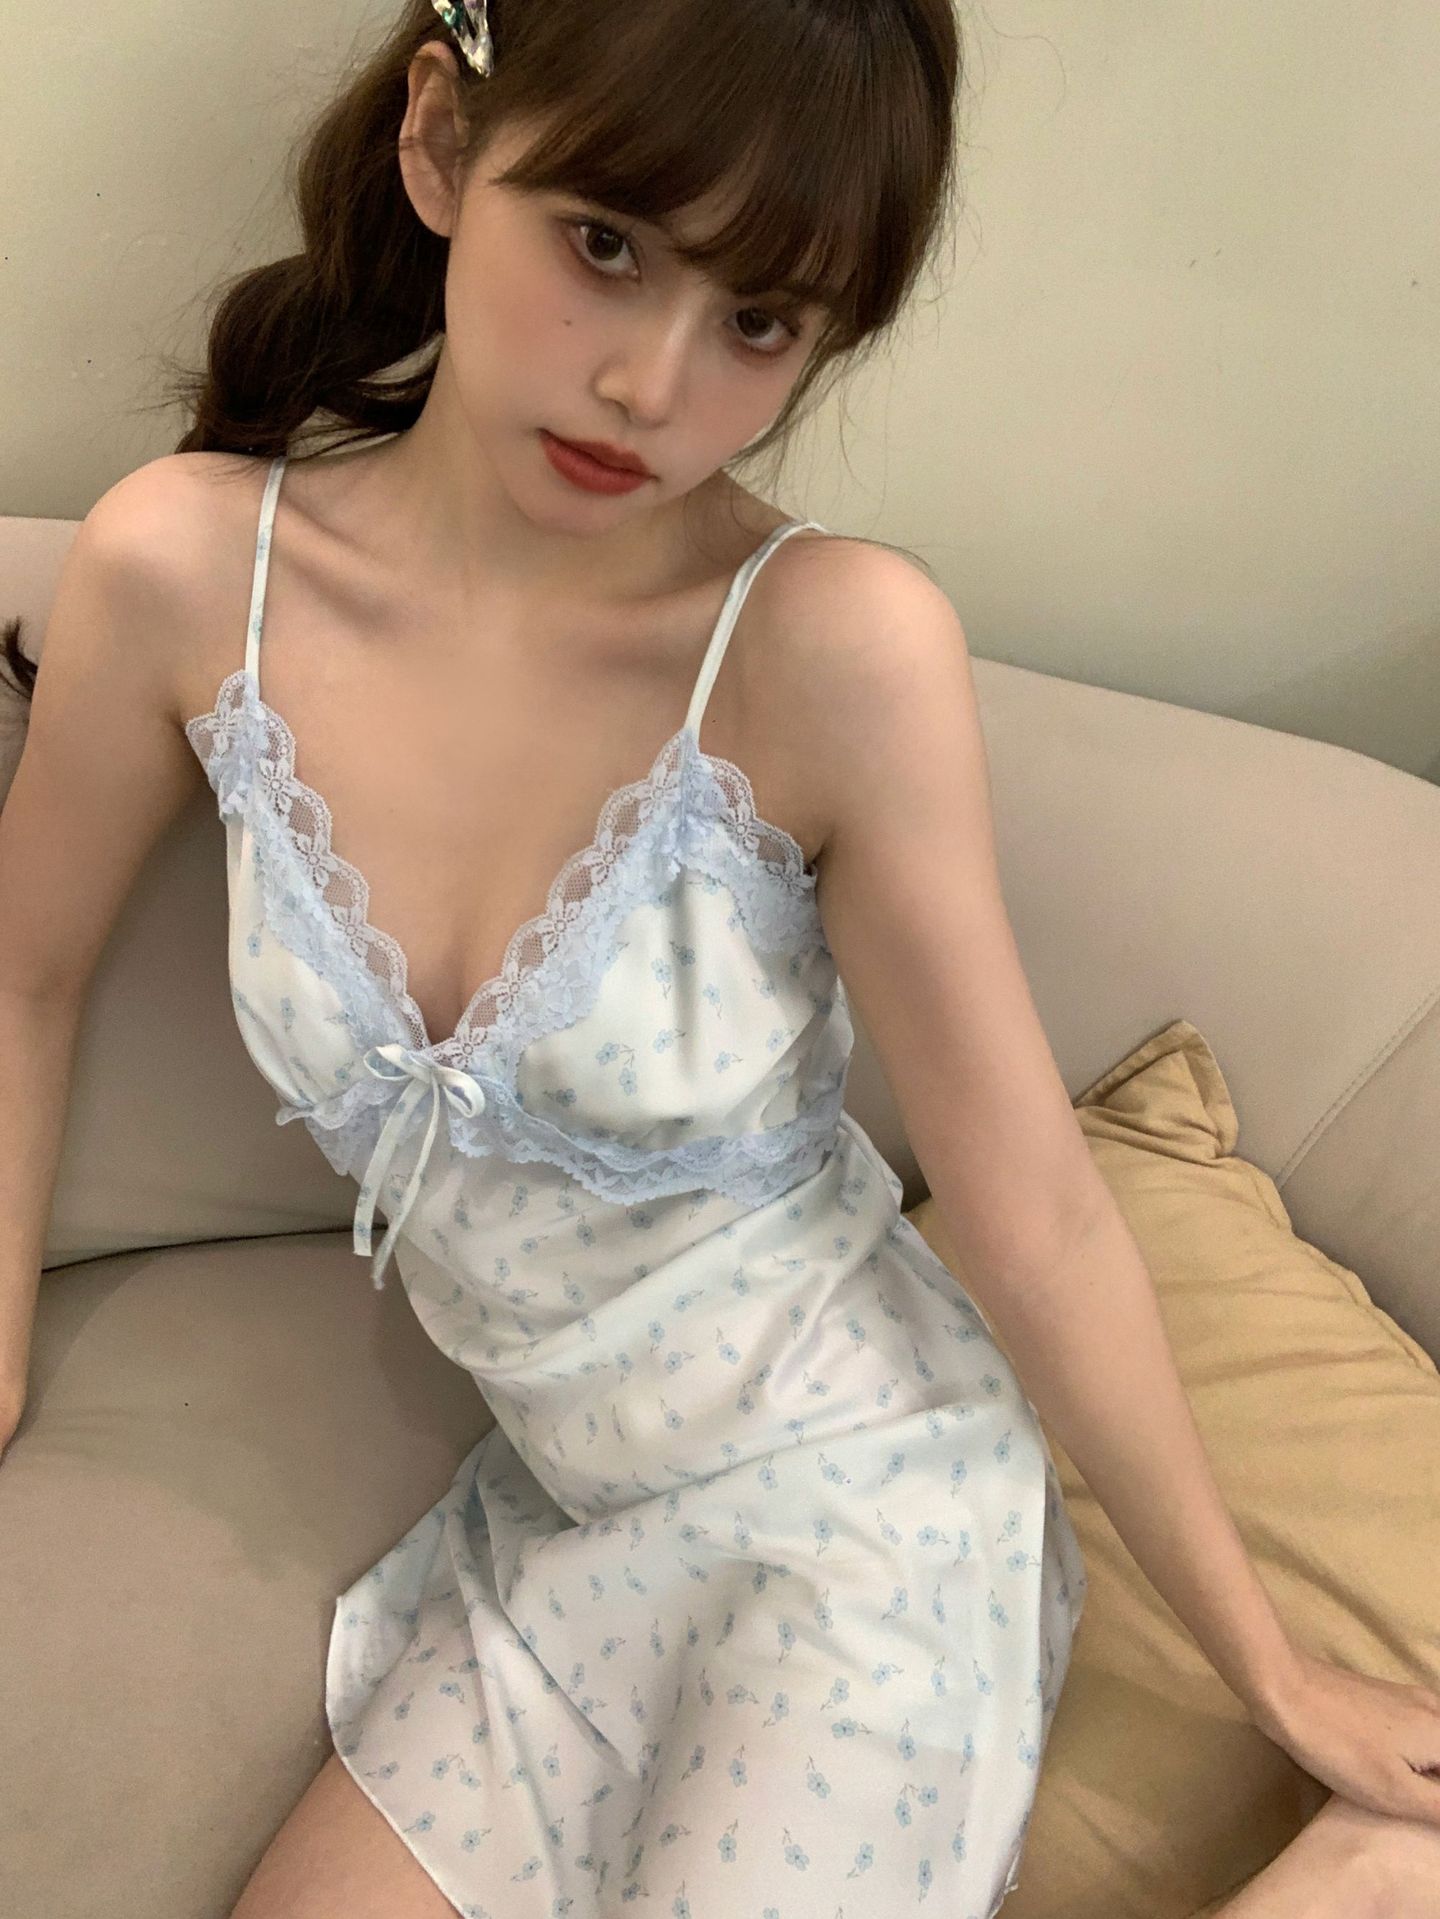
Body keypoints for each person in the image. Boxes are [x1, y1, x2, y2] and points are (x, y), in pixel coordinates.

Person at [3, 2, 1438, 1915]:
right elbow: (21, 979)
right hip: (572, 1517)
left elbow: (1035, 1206)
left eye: (759, 321)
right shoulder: (187, 574)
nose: (649, 386)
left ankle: (1374, 1875)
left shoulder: (830, 652)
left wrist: (1276, 1671)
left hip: (867, 1510)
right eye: (605, 244)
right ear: (443, 144)